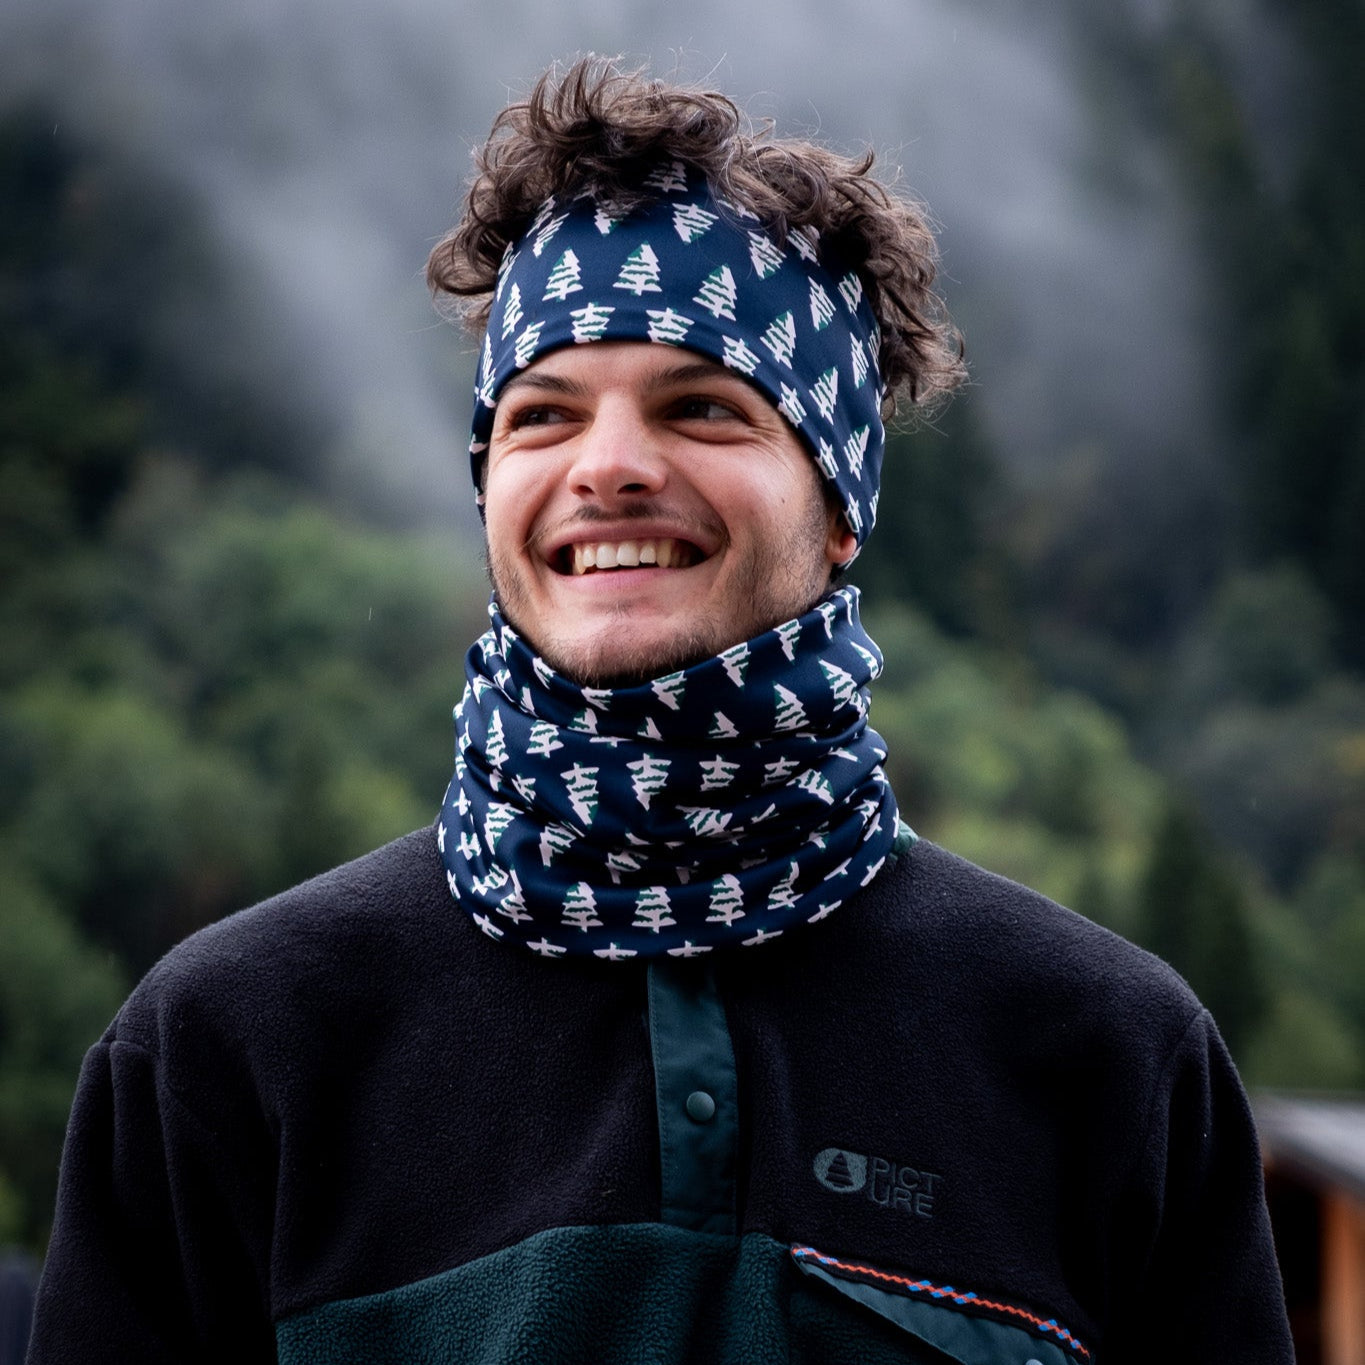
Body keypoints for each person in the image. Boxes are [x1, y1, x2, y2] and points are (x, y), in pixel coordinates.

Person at [28, 58, 1292, 1364]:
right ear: (488, 485)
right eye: (543, 416)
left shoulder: (1105, 1055)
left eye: (702, 407)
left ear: (840, 503)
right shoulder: (227, 1049)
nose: (612, 467)